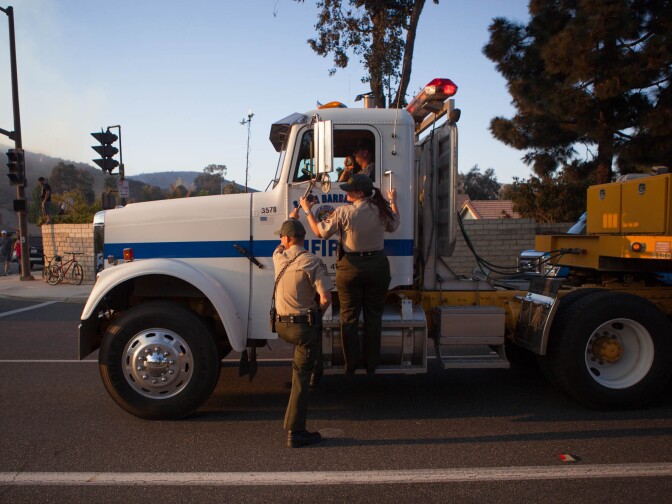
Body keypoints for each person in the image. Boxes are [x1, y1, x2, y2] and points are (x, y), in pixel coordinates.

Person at [301, 174, 399, 375]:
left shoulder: (343, 212)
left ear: (360, 193)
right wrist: (393, 202)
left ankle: (351, 364)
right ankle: (371, 364)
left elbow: (320, 233)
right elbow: (395, 224)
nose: (346, 193)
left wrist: (307, 212)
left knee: (349, 318)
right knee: (373, 317)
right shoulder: (381, 210)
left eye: (350, 190)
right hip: (378, 267)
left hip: (351, 268)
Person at [273, 216, 334, 448]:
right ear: (302, 238)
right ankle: (296, 432)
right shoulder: (312, 261)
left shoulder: (278, 258)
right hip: (301, 328)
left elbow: (278, 246)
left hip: (280, 326)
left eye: (282, 236)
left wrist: (292, 218)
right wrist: (318, 311)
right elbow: (326, 298)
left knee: (309, 348)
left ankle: (314, 373)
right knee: (300, 376)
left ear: (287, 239)